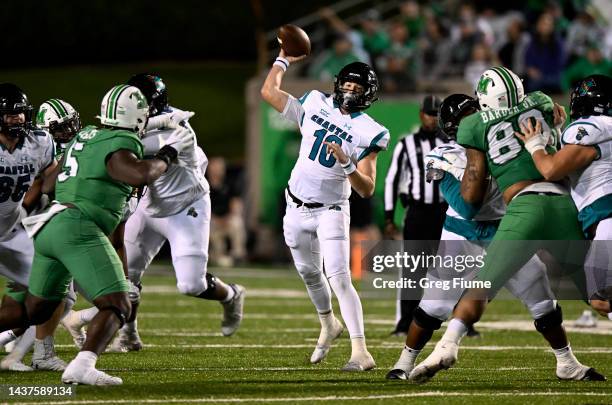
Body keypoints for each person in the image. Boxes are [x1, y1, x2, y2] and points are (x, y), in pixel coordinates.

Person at [408, 66, 605, 383]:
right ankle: (567, 361)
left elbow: (470, 198)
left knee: (482, 288)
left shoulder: (473, 125)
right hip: (563, 205)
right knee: (599, 293)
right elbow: (557, 116)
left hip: (523, 209)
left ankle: (448, 343)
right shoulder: (540, 100)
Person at [0, 84, 193, 385]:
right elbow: (140, 173)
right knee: (119, 305)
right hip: (77, 227)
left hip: (51, 226)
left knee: (34, 309)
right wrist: (169, 153)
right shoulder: (118, 141)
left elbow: (50, 184)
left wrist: (162, 122)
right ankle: (83, 365)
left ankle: (41, 348)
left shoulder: (86, 135)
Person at [386, 93, 557, 380]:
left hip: (506, 229)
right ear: (453, 128)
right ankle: (404, 363)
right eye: (467, 119)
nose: (476, 122)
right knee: (434, 307)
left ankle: (567, 361)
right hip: (461, 234)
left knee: (542, 297)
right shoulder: (443, 155)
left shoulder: (507, 145)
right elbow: (466, 206)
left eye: (476, 115)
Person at [261, 50, 390, 371]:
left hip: (331, 209)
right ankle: (328, 323)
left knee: (339, 277)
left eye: (357, 89)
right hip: (295, 204)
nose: (349, 92)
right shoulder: (315, 102)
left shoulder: (370, 131)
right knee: (308, 273)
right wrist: (282, 59)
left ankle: (361, 351)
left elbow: (367, 188)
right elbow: (268, 93)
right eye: (346, 85)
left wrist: (347, 164)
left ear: (368, 95)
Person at [113, 74, 246, 352]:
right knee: (127, 276)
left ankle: (231, 294)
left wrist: (157, 123)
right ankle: (129, 334)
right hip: (147, 204)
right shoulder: (153, 121)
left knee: (191, 284)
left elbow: (132, 146)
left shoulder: (178, 130)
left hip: (184, 208)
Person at [515, 74, 612, 320]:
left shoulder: (590, 127)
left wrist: (535, 145)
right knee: (600, 298)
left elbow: (551, 170)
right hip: (604, 218)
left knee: (600, 298)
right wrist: (558, 133)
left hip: (607, 218)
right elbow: (576, 163)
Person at [0, 85, 67, 372]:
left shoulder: (39, 142)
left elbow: (49, 175)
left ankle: (31, 355)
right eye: (10, 115)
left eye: (20, 114)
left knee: (51, 292)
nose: (17, 119)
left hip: (12, 231)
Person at [383, 95, 446, 335]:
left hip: (444, 211)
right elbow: (391, 179)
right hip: (418, 212)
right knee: (412, 269)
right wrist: (389, 216)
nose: (432, 119)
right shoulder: (406, 144)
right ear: (421, 114)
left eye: (436, 114)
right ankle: (405, 321)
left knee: (451, 267)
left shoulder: (450, 143)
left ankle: (462, 319)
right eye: (429, 114)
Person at [207, 157, 246, 267]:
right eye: (215, 167)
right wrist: (215, 219)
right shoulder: (203, 184)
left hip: (227, 219)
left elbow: (236, 203)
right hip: (211, 220)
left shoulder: (230, 183)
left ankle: (238, 255)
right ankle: (216, 254)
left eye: (220, 168)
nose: (217, 170)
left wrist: (229, 217)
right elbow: (200, 209)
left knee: (237, 222)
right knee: (209, 225)